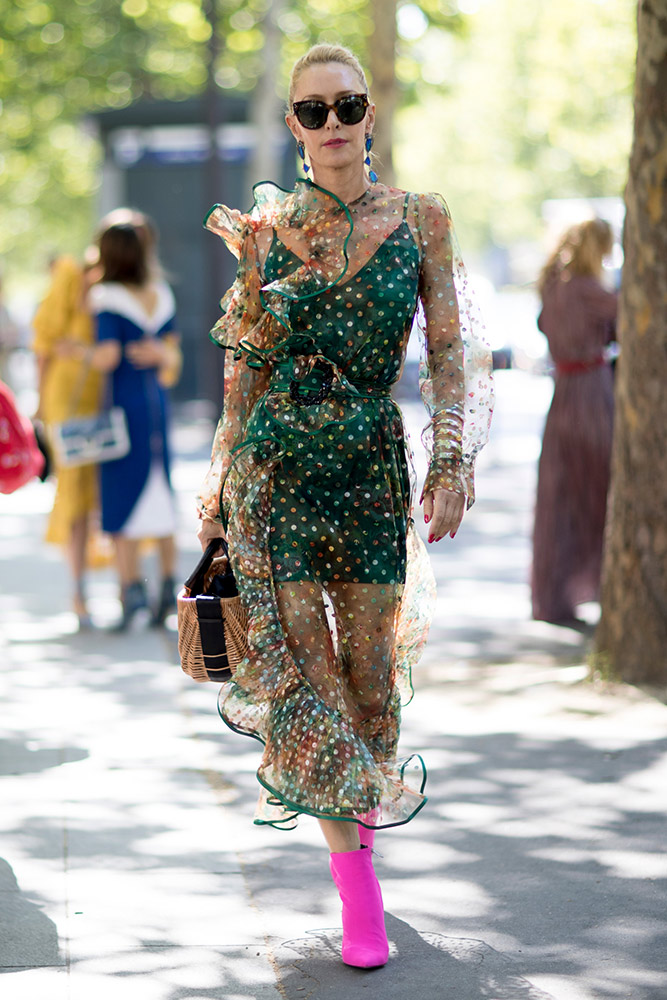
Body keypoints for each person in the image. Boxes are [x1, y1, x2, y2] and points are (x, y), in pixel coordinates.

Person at [197, 44, 493, 968]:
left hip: (369, 472)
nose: (332, 124)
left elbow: (448, 355)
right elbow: (240, 372)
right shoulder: (263, 229)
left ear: (370, 115)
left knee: (369, 685)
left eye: (347, 105)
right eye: (313, 111)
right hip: (274, 477)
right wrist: (214, 500)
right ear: (293, 126)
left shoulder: (421, 221)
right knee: (309, 680)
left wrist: (450, 461)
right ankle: (357, 891)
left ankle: (358, 837)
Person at [85, 212, 183, 630]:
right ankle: (166, 587)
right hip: (156, 406)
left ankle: (130, 594)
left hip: (122, 407)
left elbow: (107, 355)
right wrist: (160, 355)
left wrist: (76, 351)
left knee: (120, 501)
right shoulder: (160, 294)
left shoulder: (105, 296)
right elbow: (171, 357)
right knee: (161, 493)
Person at [531, 218, 618, 626]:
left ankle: (555, 595)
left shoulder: (552, 289)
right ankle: (602, 587)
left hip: (562, 395)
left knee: (559, 496)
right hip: (592, 393)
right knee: (599, 489)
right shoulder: (590, 291)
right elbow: (632, 323)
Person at [32, 254, 104, 627]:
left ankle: (107, 586)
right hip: (70, 402)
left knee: (99, 499)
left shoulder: (117, 290)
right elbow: (43, 345)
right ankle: (78, 591)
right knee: (75, 494)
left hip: (104, 402)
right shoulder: (70, 276)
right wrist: (41, 405)